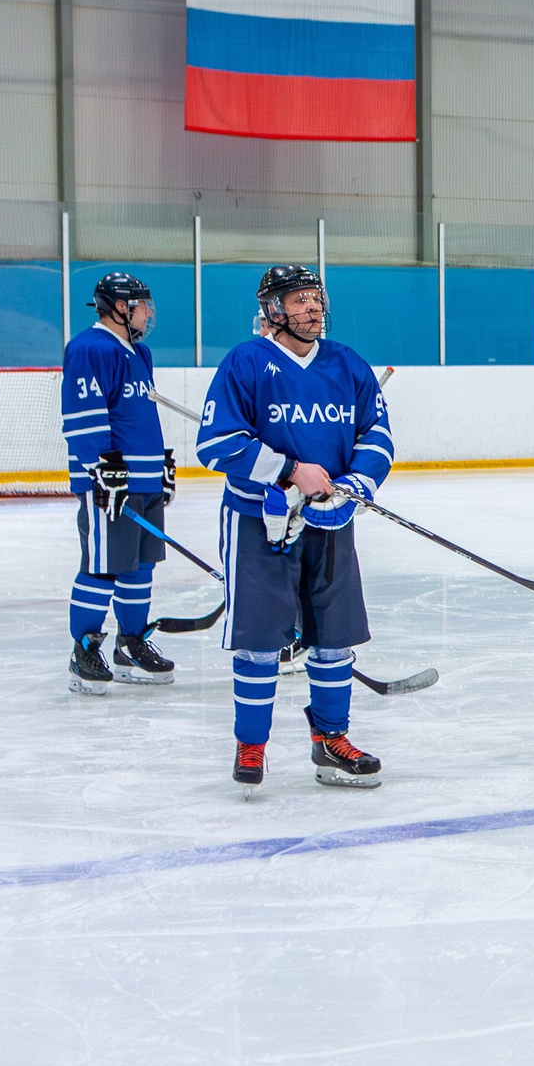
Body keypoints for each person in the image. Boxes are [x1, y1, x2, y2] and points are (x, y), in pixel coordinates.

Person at [194, 264, 395, 789]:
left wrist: (354, 487)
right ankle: (252, 746)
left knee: (333, 638)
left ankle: (330, 742)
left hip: (329, 524)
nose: (312, 308)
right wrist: (288, 470)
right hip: (259, 525)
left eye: (316, 299)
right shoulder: (246, 361)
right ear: (273, 311)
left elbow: (377, 435)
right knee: (260, 642)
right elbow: (215, 444)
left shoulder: (346, 363)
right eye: (300, 300)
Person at [60, 272, 175, 694]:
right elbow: (83, 417)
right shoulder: (89, 348)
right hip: (112, 484)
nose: (149, 313)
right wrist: (101, 469)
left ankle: (132, 643)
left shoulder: (139, 353)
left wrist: (160, 462)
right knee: (104, 566)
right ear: (121, 306)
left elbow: (141, 416)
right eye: (143, 305)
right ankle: (84, 648)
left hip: (143, 481)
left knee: (140, 566)